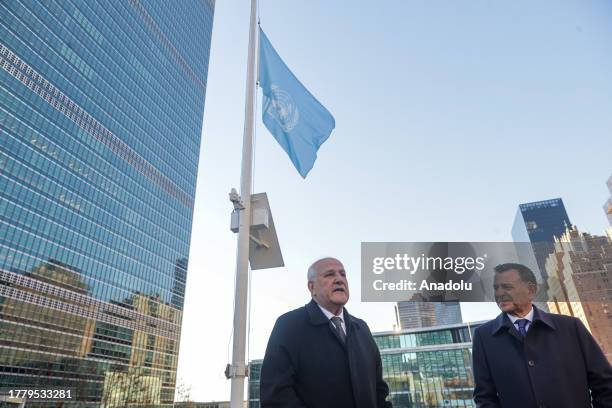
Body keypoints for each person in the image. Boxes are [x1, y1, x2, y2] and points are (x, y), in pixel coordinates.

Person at [472, 263, 612, 408]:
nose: (499, 293)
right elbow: (485, 398)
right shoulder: (483, 336)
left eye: (507, 287)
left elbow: (605, 385)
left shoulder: (571, 327)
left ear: (531, 290)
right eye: (496, 288)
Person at [260, 257, 392, 408]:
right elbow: (276, 396)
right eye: (329, 274)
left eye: (343, 274)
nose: (339, 279)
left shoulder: (362, 328)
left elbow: (379, 389)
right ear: (312, 287)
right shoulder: (288, 326)